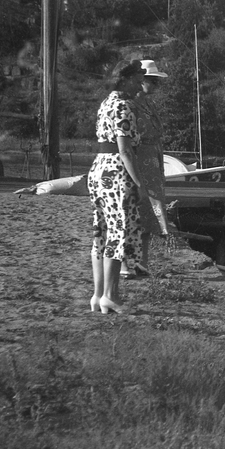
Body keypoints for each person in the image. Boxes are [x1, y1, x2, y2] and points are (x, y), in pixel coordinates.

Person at [87, 60, 144, 314]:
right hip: (116, 173)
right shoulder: (123, 106)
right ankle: (111, 296)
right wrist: (139, 182)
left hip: (99, 169)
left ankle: (98, 294)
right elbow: (125, 149)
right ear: (125, 80)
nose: (140, 83)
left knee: (101, 231)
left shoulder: (106, 103)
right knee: (118, 231)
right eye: (137, 78)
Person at [123, 59, 170, 278]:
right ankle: (125, 262)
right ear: (141, 81)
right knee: (132, 212)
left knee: (150, 214)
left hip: (153, 163)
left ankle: (143, 262)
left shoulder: (147, 105)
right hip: (139, 162)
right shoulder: (130, 105)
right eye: (153, 81)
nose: (156, 86)